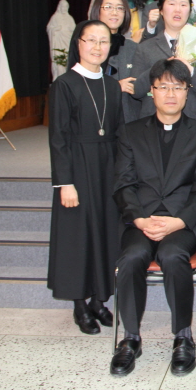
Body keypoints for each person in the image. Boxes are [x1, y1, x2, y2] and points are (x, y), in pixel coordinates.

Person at [110, 59, 196, 377]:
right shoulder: (130, 133)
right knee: (132, 257)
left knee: (172, 254)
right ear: (152, 91)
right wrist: (140, 219)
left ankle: (183, 336)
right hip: (141, 220)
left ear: (187, 92)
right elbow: (123, 184)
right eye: (163, 86)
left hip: (184, 223)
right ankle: (130, 338)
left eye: (178, 87)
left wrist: (180, 221)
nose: (171, 93)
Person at [47, 20, 122, 336]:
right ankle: (79, 303)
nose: (97, 47)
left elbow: (117, 133)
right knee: (78, 237)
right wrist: (65, 182)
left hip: (108, 167)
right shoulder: (64, 85)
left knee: (106, 233)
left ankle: (99, 300)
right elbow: (58, 137)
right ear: (78, 43)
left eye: (103, 41)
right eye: (91, 40)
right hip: (77, 168)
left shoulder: (112, 85)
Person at [131, 0, 196, 122]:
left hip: (192, 121)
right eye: (171, 4)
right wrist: (157, 69)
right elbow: (136, 90)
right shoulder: (145, 48)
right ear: (161, 10)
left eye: (183, 5)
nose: (178, 10)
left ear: (190, 10)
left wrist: (191, 71)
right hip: (152, 121)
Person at [89, 0, 141, 123]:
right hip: (95, 119)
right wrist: (116, 87)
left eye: (120, 8)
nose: (114, 12)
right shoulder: (87, 46)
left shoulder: (133, 48)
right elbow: (80, 87)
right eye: (108, 7)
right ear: (97, 10)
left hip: (127, 121)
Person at [46, 0, 75, 81]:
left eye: (66, 7)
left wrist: (71, 29)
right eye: (63, 7)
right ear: (59, 7)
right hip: (58, 43)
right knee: (59, 61)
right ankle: (58, 78)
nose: (64, 9)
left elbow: (74, 30)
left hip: (67, 42)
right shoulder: (55, 17)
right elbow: (49, 29)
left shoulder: (70, 18)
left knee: (67, 59)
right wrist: (55, 29)